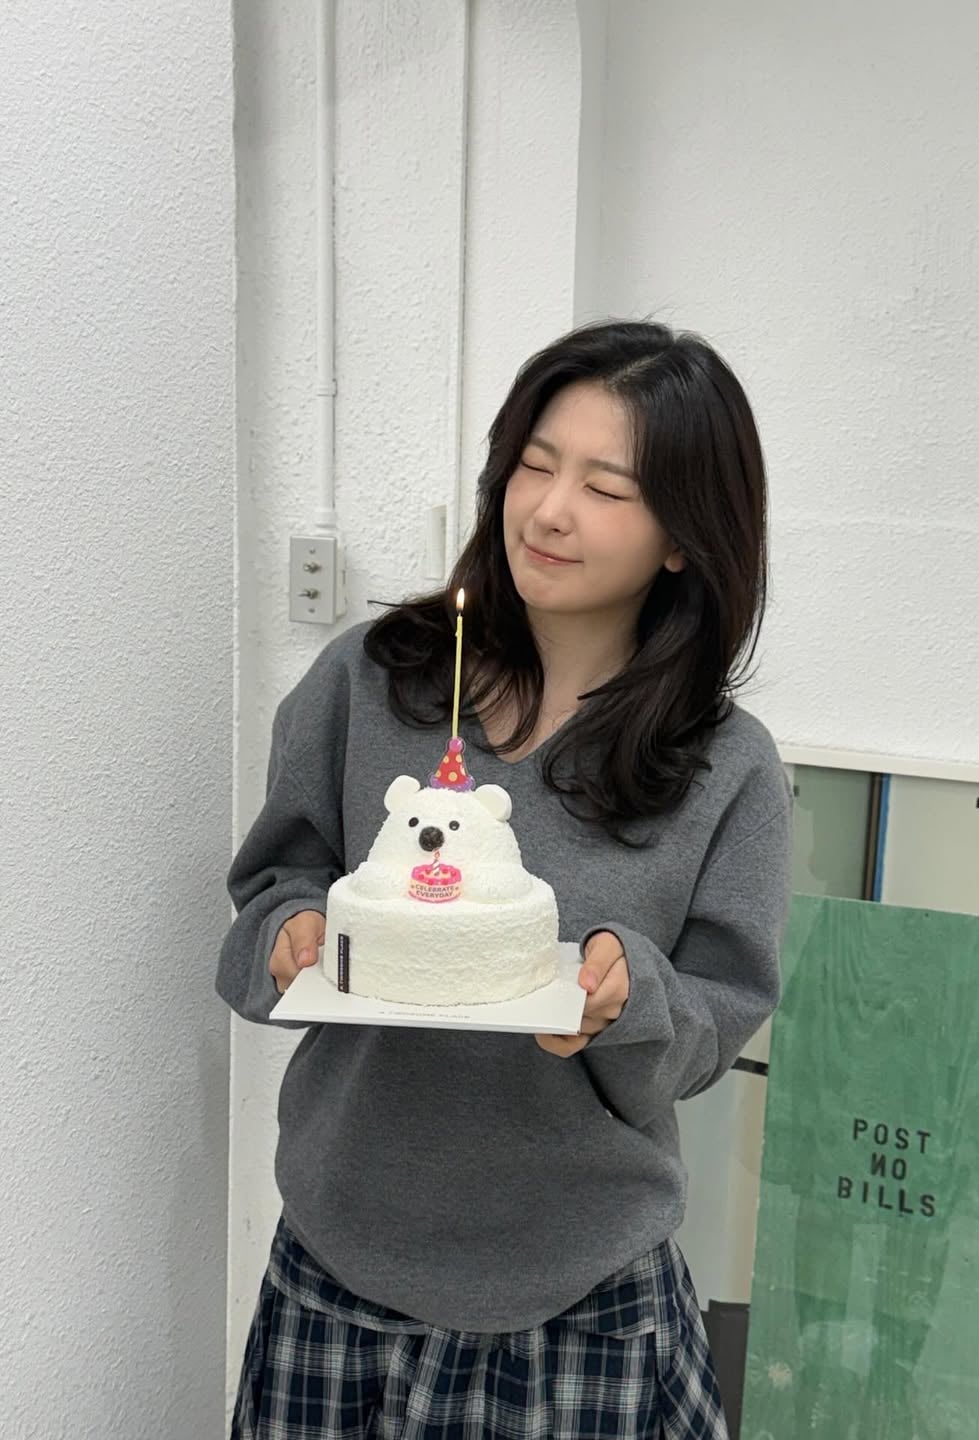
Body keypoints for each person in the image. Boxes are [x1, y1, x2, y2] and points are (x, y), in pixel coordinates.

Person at [217, 317, 793, 1438]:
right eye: (534, 464)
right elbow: (276, 880)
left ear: (684, 538)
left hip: (582, 1299)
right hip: (339, 1266)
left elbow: (718, 1017)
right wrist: (290, 931)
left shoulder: (725, 767)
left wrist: (630, 995)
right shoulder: (371, 684)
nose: (550, 510)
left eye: (606, 487)